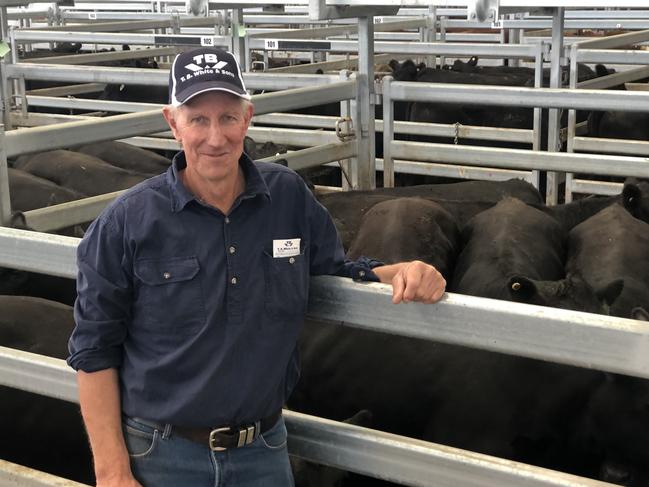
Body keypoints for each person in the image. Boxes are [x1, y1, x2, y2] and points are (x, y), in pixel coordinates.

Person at [67, 47, 446, 487]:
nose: (215, 136)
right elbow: (94, 350)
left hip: (262, 453)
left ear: (247, 120)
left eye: (228, 117)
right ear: (173, 124)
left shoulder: (288, 198)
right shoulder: (126, 222)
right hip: (161, 456)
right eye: (198, 119)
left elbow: (334, 273)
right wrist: (112, 470)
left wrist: (406, 271)